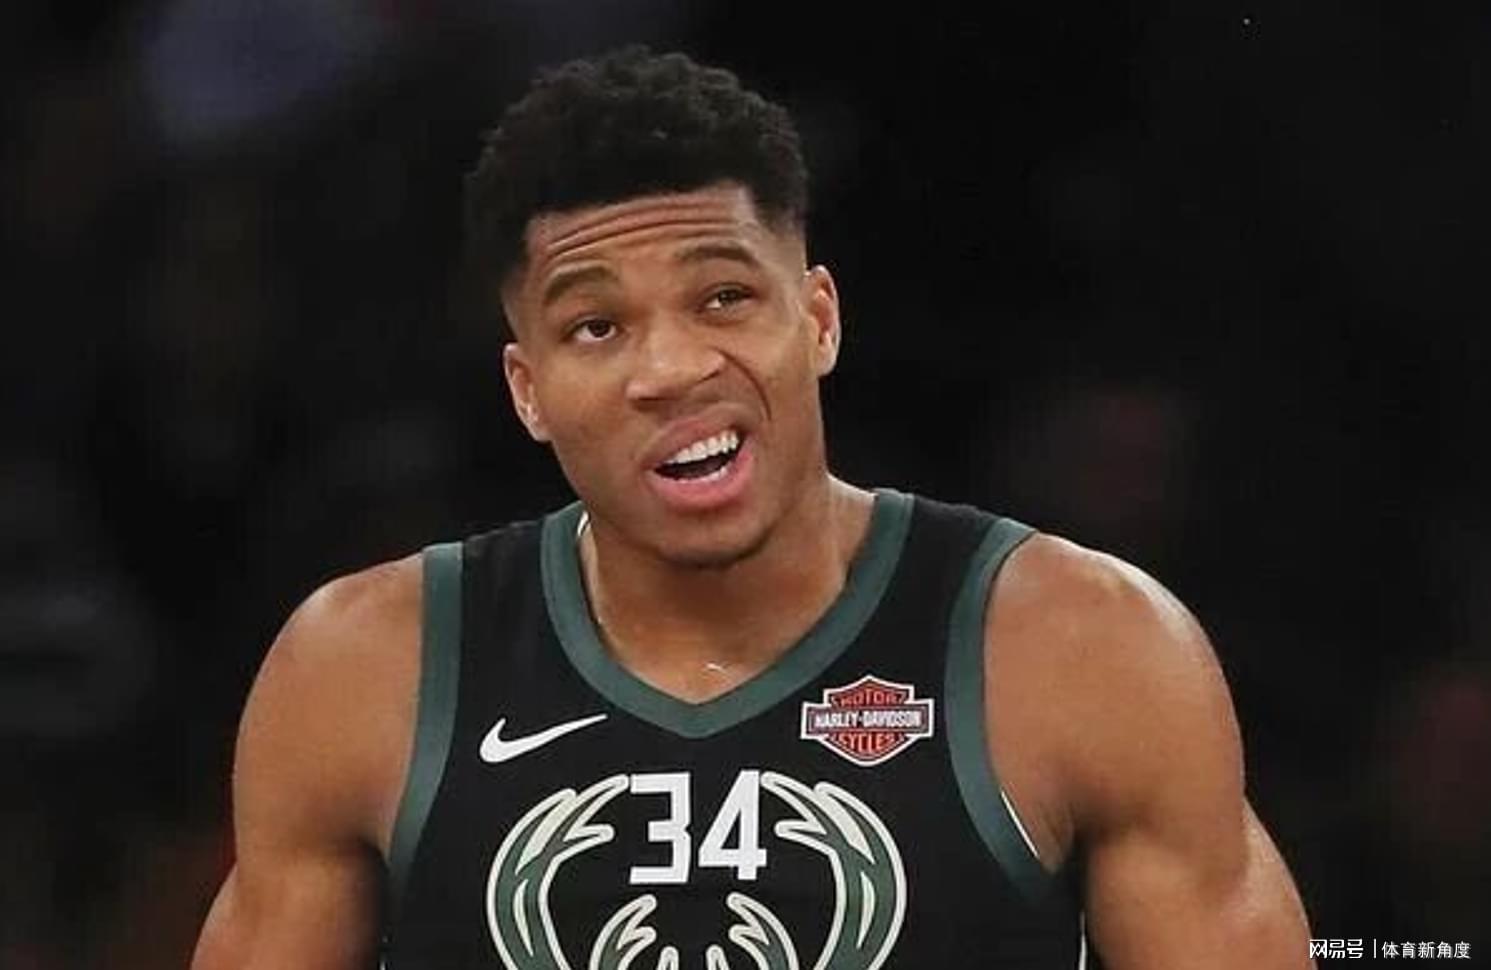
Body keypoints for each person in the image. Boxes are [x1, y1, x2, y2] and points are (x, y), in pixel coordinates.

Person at [192, 46, 1315, 969]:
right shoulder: (366, 670)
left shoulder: (1081, 647)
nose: (672, 368)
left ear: (818, 320)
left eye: (724, 296)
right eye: (596, 327)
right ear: (527, 390)